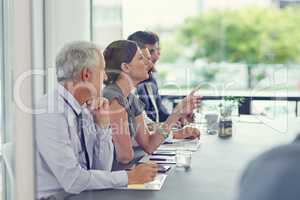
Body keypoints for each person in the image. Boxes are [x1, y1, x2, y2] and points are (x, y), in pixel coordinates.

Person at [35, 41, 158, 199]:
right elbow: (73, 181)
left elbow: (101, 169)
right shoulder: (50, 112)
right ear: (86, 75)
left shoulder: (85, 109)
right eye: (102, 70)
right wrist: (129, 177)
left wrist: (102, 126)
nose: (106, 76)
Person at [103, 40, 201, 165]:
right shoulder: (114, 99)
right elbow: (125, 157)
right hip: (118, 177)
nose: (148, 63)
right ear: (125, 67)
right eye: (140, 58)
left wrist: (177, 113)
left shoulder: (131, 99)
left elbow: (149, 145)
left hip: (127, 172)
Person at [127, 31, 169, 123]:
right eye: (150, 52)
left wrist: (179, 116)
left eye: (157, 50)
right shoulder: (126, 89)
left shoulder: (150, 80)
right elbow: (145, 129)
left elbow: (158, 116)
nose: (156, 56)